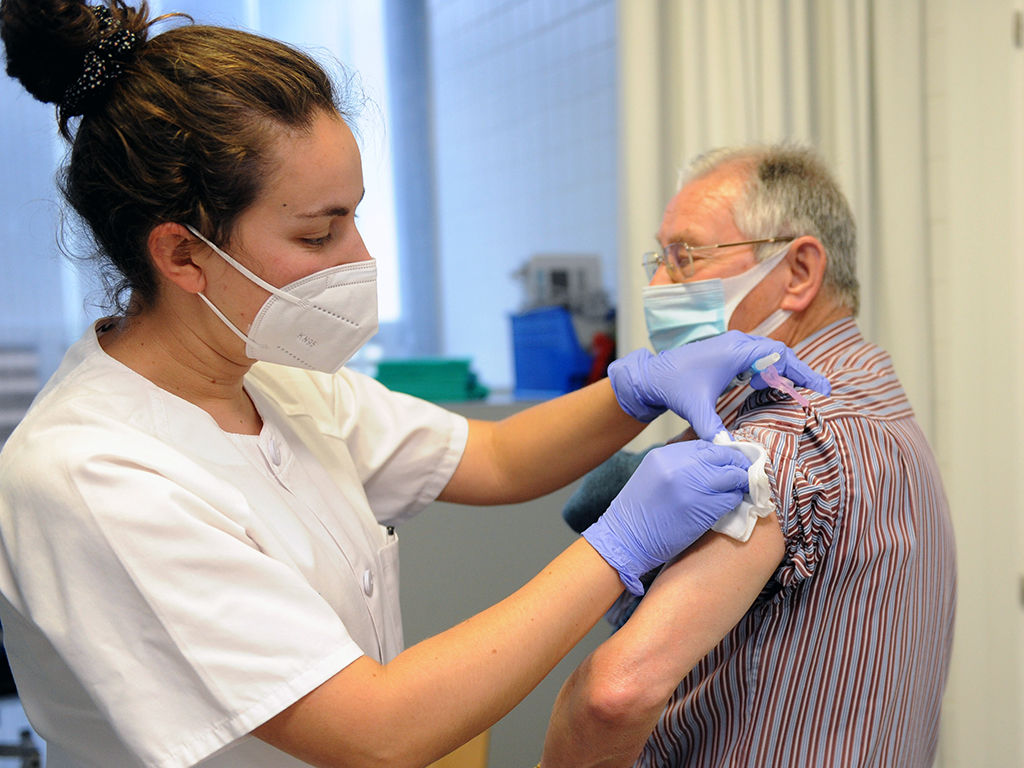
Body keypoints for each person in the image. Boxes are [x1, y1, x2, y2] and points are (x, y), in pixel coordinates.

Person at [0, 3, 831, 767]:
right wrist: (619, 547)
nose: (359, 260)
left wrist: (637, 389)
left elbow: (497, 457)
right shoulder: (88, 475)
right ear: (181, 254)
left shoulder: (271, 376)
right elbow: (375, 727)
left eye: (355, 216)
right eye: (318, 232)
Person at [541, 144, 957, 767]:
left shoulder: (785, 438)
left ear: (798, 273)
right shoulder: (875, 398)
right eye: (659, 258)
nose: (658, 285)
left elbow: (614, 694)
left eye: (685, 256)